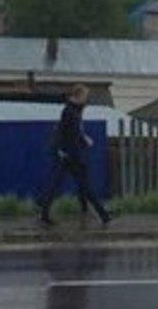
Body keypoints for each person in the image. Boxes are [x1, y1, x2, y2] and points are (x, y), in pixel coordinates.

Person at [37, 84, 112, 226]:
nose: (86, 99)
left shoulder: (72, 110)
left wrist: (82, 140)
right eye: (84, 96)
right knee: (83, 186)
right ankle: (103, 215)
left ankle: (44, 212)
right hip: (70, 155)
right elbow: (71, 134)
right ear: (77, 96)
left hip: (67, 154)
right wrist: (84, 142)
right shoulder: (70, 112)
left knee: (57, 185)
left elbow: (70, 132)